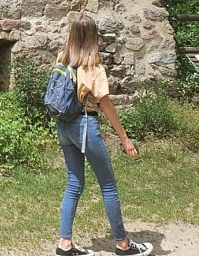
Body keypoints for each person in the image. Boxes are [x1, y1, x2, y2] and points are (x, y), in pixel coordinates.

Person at [54, 13, 153, 256]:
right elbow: (106, 104)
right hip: (86, 126)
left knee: (74, 184)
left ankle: (64, 244)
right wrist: (124, 137)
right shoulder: (94, 67)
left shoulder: (62, 59)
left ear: (72, 35)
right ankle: (123, 244)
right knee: (108, 185)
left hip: (64, 126)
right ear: (92, 37)